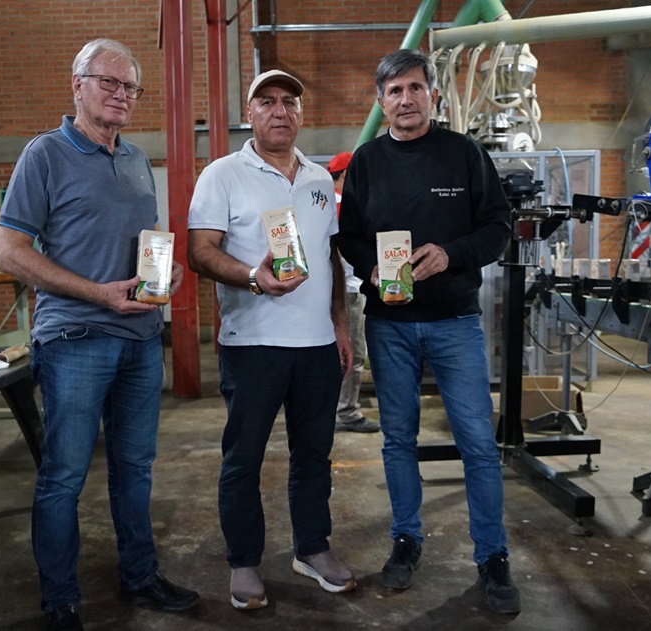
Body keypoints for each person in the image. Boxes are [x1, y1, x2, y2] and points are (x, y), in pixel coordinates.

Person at [0, 38, 199, 631]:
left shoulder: (134, 159)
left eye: (130, 87)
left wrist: (166, 272)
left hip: (140, 338)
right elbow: (10, 252)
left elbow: (141, 241)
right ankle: (60, 600)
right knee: (63, 476)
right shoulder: (45, 154)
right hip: (76, 339)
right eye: (108, 82)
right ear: (77, 85)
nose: (121, 95)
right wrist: (97, 293)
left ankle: (140, 576)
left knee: (135, 469)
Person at [336, 49, 520, 615]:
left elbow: (499, 227)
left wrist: (451, 254)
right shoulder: (367, 161)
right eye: (394, 91)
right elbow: (349, 234)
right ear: (381, 101)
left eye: (415, 88)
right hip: (389, 324)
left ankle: (492, 556)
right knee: (398, 439)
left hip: (454, 321)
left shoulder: (464, 154)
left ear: (433, 96)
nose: (406, 99)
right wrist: (369, 265)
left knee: (477, 442)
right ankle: (406, 540)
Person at [187, 69, 356, 611]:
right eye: (267, 101)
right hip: (252, 344)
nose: (280, 110)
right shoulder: (222, 175)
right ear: (250, 113)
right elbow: (200, 252)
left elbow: (330, 257)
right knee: (244, 459)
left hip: (316, 346)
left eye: (289, 102)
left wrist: (340, 325)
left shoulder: (318, 179)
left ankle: (312, 547)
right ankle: (244, 561)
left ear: (301, 114)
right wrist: (253, 278)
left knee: (314, 455)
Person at [328, 151, 380, 434]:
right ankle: (346, 412)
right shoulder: (342, 205)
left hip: (334, 290)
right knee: (354, 354)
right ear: (347, 174)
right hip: (348, 290)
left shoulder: (325, 201)